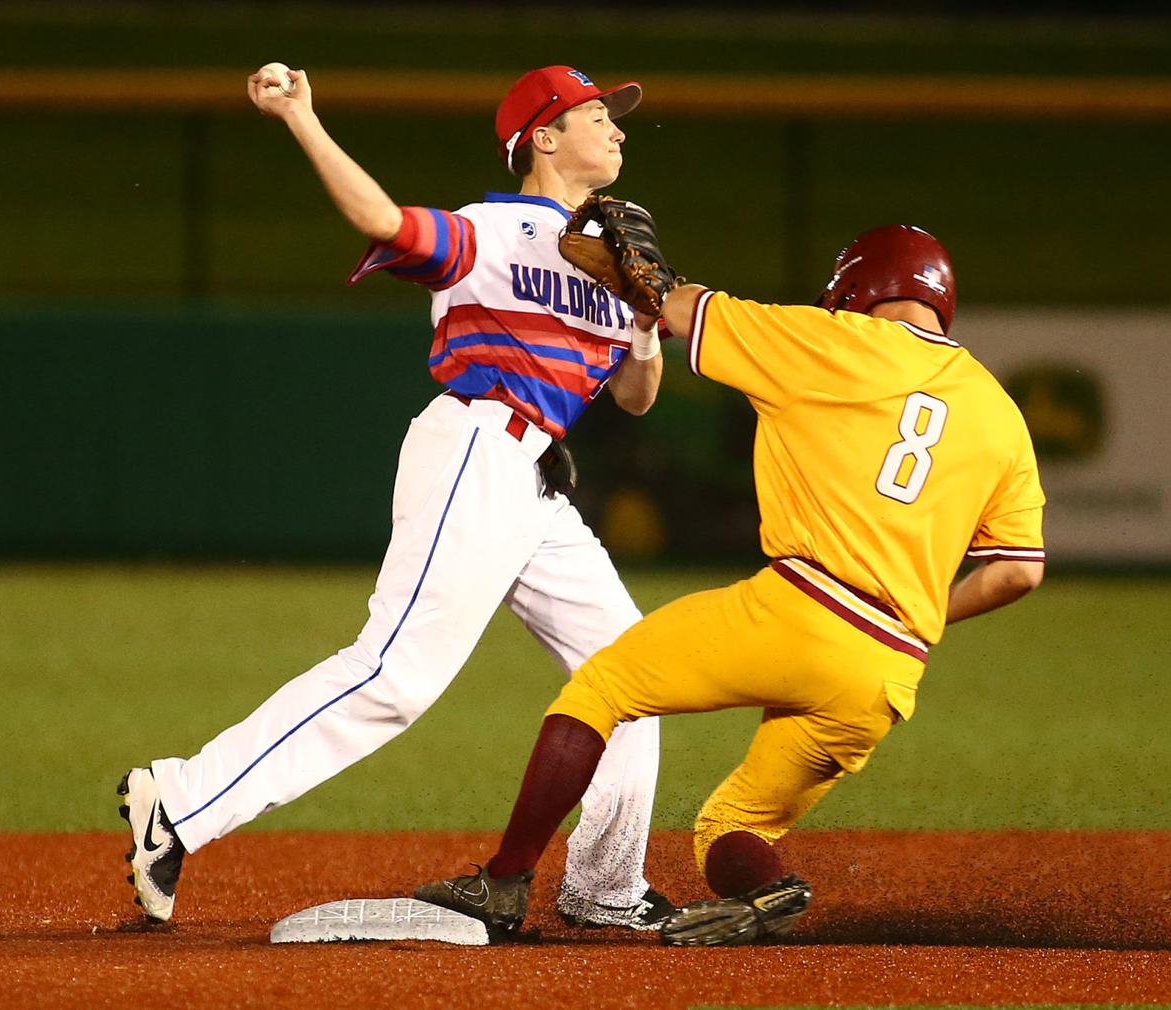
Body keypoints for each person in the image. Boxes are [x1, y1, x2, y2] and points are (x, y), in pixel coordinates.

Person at [117, 63, 673, 931]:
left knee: (636, 674)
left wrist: (645, 317)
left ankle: (604, 886)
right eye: (597, 115)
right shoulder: (492, 229)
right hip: (476, 451)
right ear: (544, 135)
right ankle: (181, 801)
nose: (619, 130)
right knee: (396, 675)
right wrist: (302, 115)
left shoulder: (613, 257)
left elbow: (637, 398)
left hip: (539, 485)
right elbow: (381, 220)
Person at [416, 223, 1047, 946]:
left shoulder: (828, 339)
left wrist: (634, 276)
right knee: (733, 825)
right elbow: (1017, 571)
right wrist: (926, 613)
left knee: (601, 688)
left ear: (855, 288)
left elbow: (681, 307)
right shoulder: (1001, 413)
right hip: (888, 671)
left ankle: (502, 881)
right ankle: (766, 889)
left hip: (801, 607)